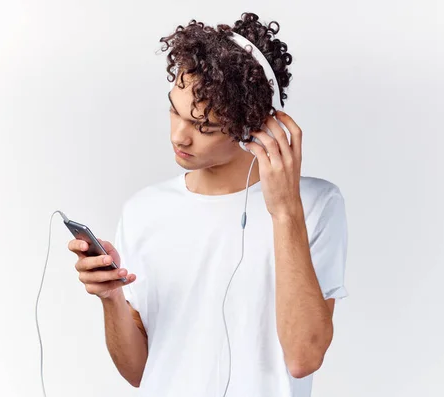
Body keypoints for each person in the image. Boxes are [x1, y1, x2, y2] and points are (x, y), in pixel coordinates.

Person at [68, 12, 348, 397]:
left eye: (205, 127)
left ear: (254, 126)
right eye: (174, 111)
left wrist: (284, 212)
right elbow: (139, 373)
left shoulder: (315, 206)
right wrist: (111, 296)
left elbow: (303, 357)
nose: (179, 137)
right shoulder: (143, 211)